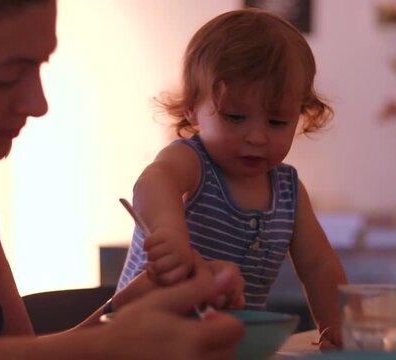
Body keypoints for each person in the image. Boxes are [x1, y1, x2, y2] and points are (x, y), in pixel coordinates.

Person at [0, 1, 246, 359]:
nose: (38, 103)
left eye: (39, 66)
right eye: (7, 76)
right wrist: (103, 344)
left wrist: (126, 311)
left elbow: (22, 351)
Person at [115, 8, 348, 349]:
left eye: (277, 122)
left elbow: (319, 266)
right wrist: (170, 234)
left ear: (301, 115)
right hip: (149, 342)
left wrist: (338, 327)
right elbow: (153, 181)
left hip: (229, 346)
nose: (256, 136)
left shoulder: (289, 192)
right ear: (193, 107)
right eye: (235, 117)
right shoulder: (192, 161)